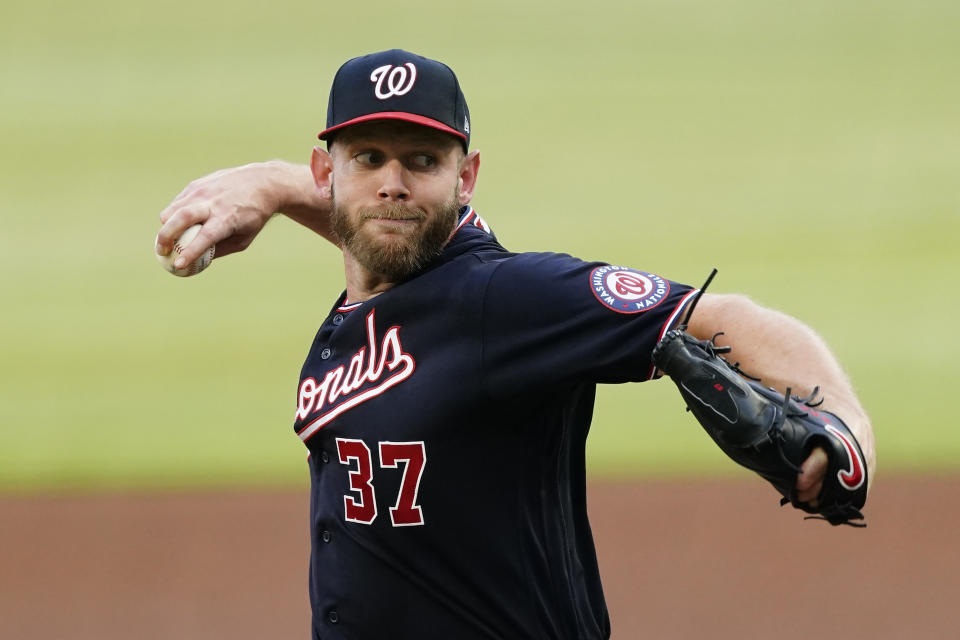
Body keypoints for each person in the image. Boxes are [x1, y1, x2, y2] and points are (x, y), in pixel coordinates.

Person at [156, 49, 876, 639]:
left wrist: (847, 426)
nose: (393, 183)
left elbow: (721, 318)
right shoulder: (380, 294)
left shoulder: (506, 302)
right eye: (368, 157)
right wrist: (274, 188)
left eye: (423, 161)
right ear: (327, 172)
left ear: (465, 178)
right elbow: (373, 221)